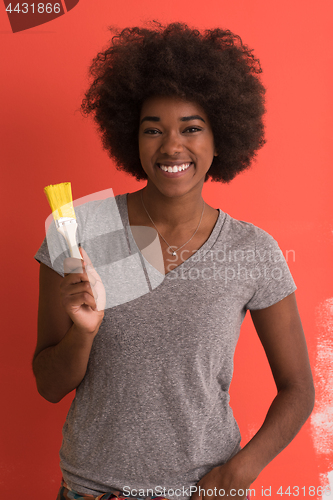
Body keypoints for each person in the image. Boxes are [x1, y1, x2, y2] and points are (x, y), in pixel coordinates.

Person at [33, 22, 315, 500]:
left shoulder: (251, 250)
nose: (171, 146)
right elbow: (48, 384)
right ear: (131, 138)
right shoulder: (82, 231)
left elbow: (298, 389)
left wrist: (238, 473)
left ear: (220, 138)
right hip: (94, 491)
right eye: (152, 130)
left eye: (191, 128)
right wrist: (84, 332)